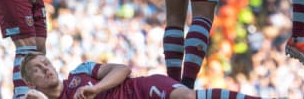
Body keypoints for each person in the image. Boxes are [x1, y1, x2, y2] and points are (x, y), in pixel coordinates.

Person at [20, 53, 270, 99]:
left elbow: (122, 70)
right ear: (31, 83)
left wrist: (96, 89)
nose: (46, 68)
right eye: (38, 69)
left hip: (138, 90)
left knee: (185, 96)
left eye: (46, 63)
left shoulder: (81, 72)